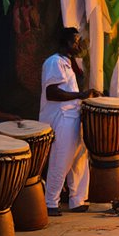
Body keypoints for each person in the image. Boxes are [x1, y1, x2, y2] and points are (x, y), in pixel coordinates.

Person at [40, 27, 99, 216]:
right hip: (61, 117)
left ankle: (77, 200)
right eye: (76, 41)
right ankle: (51, 202)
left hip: (73, 115)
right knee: (61, 159)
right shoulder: (54, 62)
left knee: (79, 159)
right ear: (66, 43)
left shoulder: (69, 63)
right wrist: (80, 95)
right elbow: (52, 93)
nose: (79, 45)